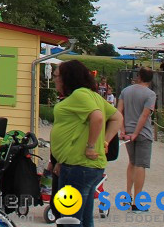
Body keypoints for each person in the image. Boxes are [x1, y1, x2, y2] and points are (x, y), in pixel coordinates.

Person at [53, 59, 123, 227]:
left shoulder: (80, 95)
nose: (54, 79)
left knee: (70, 219)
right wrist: (105, 141)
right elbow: (117, 117)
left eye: (56, 76)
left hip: (79, 165)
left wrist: (92, 146)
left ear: (66, 77)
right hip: (82, 165)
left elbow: (98, 117)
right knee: (84, 219)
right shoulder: (93, 96)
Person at [117, 67, 156, 210]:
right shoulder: (150, 94)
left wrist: (123, 130)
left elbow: (119, 111)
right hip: (143, 133)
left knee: (132, 163)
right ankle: (137, 201)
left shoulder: (125, 91)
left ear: (139, 77)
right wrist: (136, 133)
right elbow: (144, 115)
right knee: (141, 165)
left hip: (127, 131)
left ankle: (127, 196)